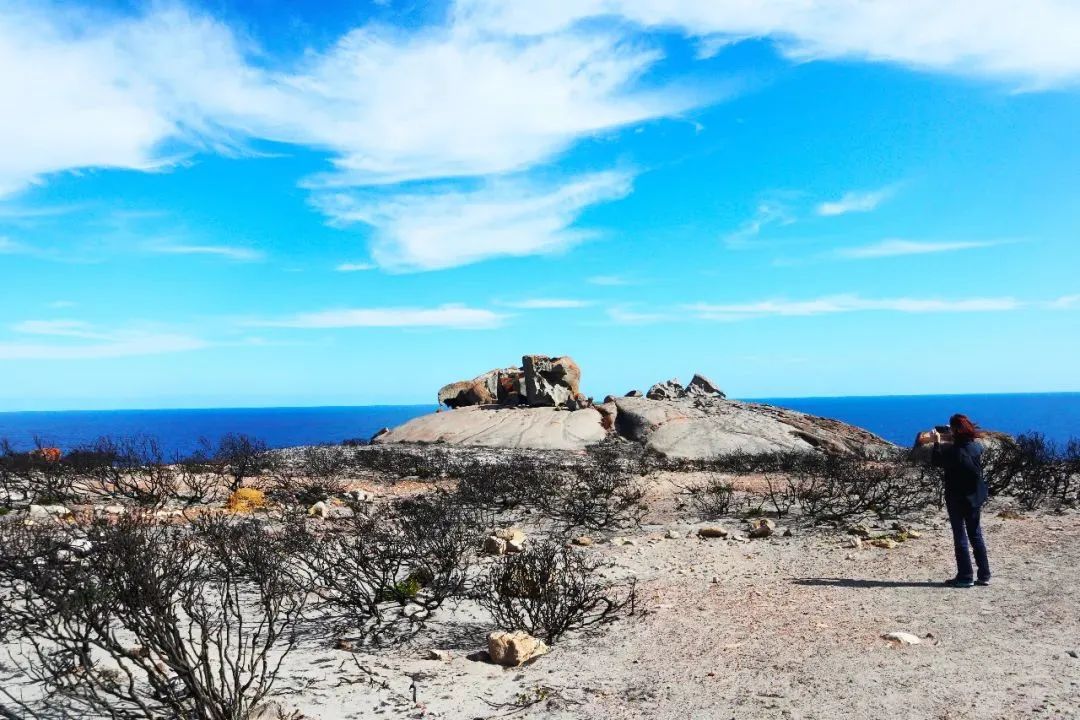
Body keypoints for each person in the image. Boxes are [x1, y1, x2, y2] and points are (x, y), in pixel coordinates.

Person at [930, 414, 991, 588]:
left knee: (960, 535)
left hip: (956, 497)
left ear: (956, 430)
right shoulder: (976, 447)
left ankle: (965, 576)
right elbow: (965, 447)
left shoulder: (953, 451)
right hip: (974, 496)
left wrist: (937, 441)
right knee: (976, 534)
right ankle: (984, 574)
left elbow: (936, 460)